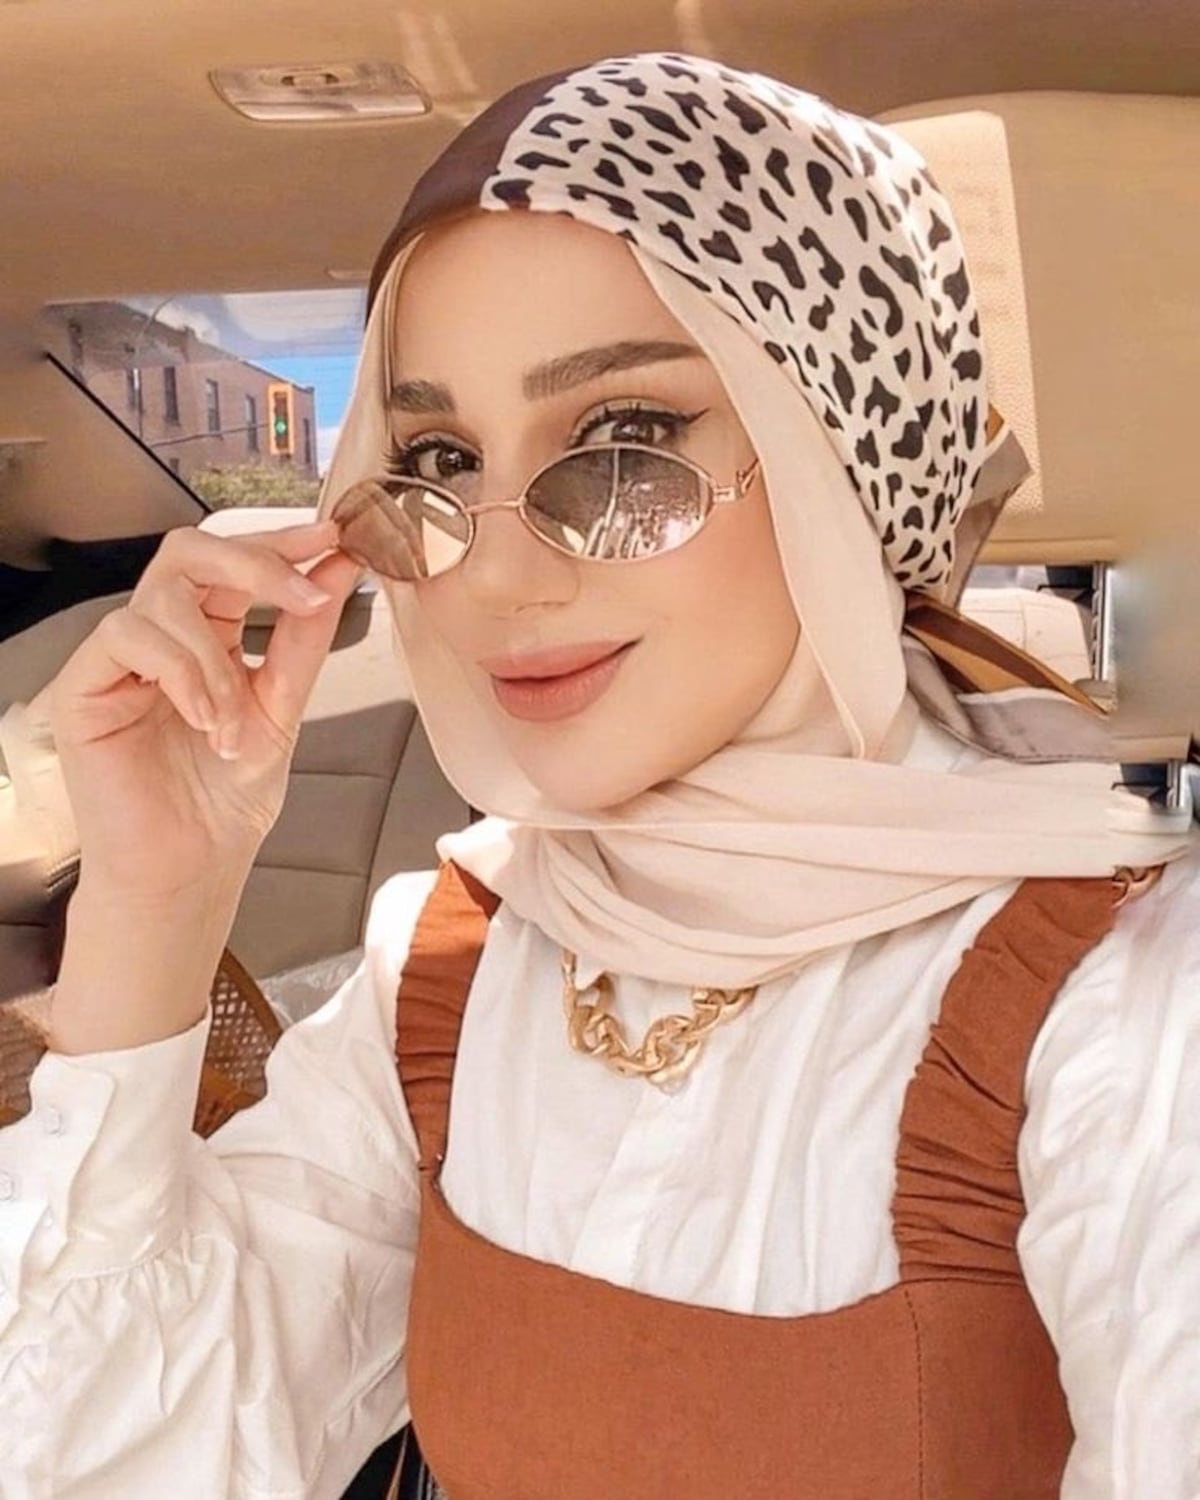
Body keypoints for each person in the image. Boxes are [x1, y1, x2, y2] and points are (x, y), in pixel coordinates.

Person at [2, 52, 1197, 1500]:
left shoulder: (1129, 988)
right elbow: (127, 1456)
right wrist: (155, 902)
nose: (496, 575)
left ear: (835, 460)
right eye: (438, 459)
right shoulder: (452, 961)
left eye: (627, 446)